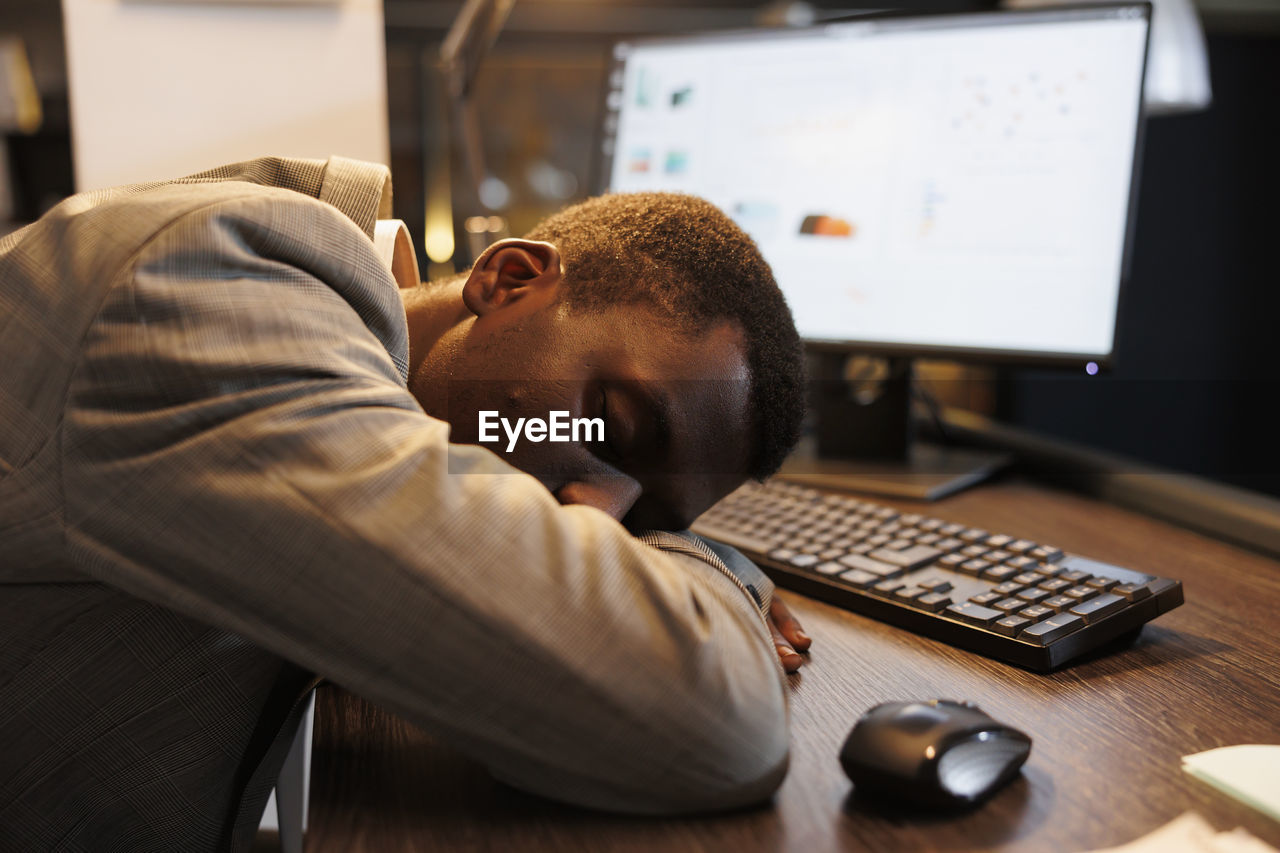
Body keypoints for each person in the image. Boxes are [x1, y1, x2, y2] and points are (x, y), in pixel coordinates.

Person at [0, 156, 809, 850]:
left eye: (643, 521)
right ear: (511, 279)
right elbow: (713, 722)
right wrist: (707, 566)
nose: (591, 508)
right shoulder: (212, 290)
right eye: (605, 424)